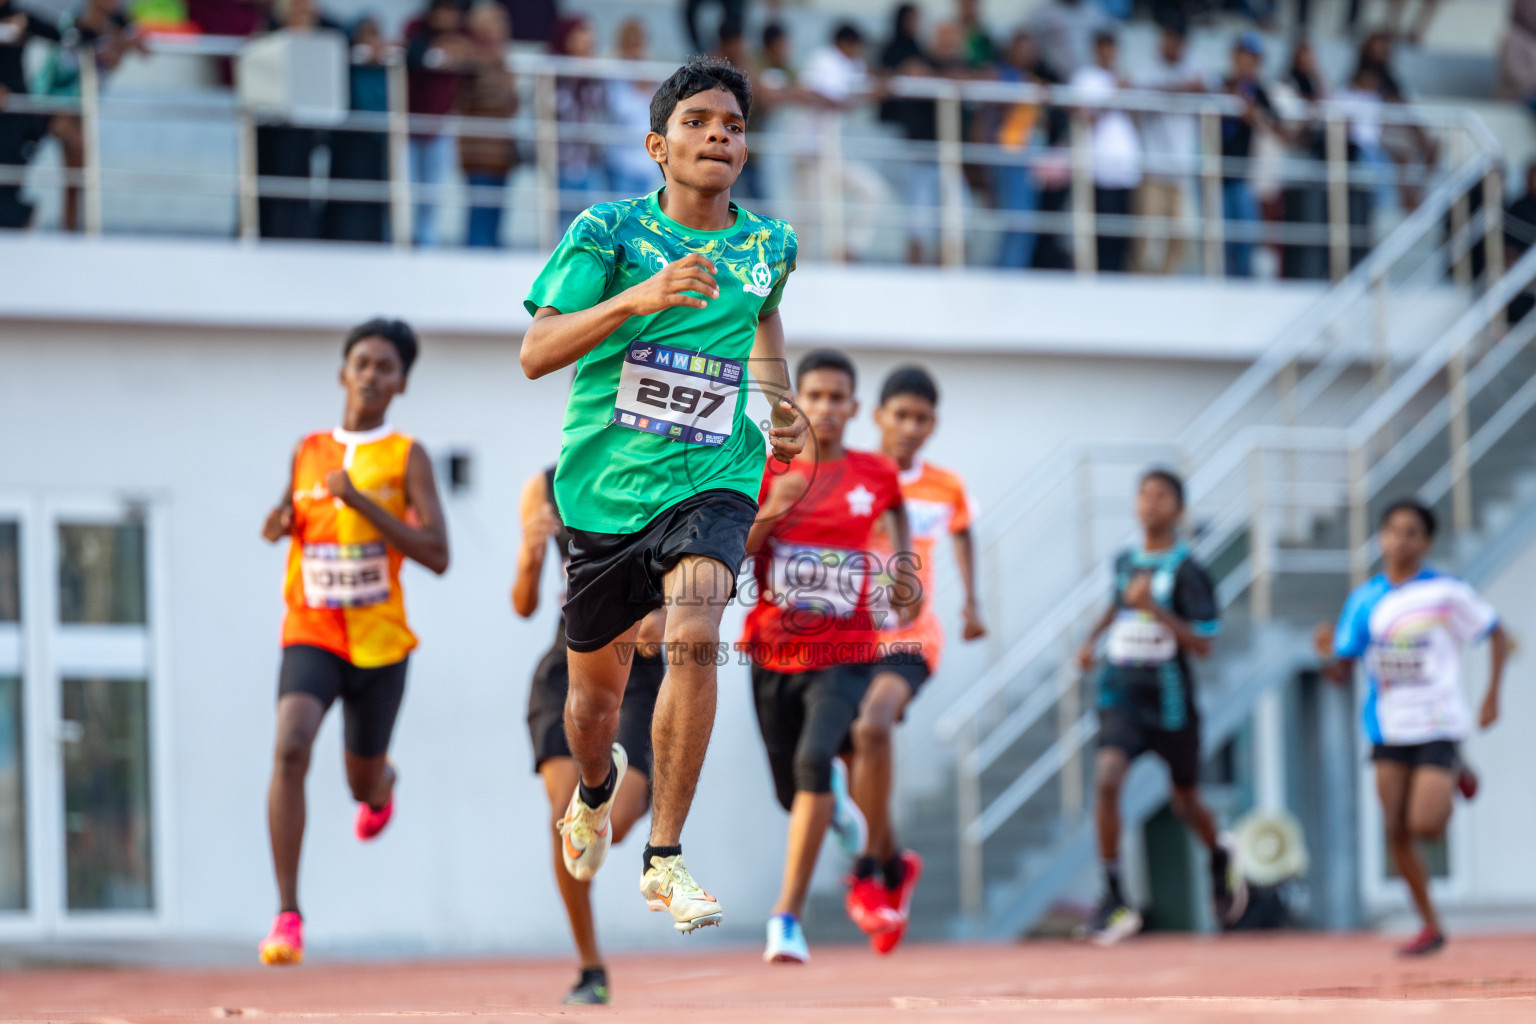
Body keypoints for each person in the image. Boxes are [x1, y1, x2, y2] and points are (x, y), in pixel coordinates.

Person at [519, 56, 806, 935]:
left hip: (713, 474)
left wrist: (780, 400)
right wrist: (638, 298)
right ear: (658, 144)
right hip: (605, 490)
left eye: (733, 123)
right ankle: (594, 794)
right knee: (591, 710)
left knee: (692, 630)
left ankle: (665, 857)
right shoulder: (606, 232)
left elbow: (761, 319)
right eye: (698, 121)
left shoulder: (768, 246)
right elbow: (536, 351)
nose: (720, 132)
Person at [257, 318, 451, 965]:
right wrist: (279, 520)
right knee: (290, 748)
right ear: (343, 371)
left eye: (385, 367)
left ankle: (381, 786)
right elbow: (293, 513)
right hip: (311, 630)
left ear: (401, 385)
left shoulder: (406, 456)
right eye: (361, 362)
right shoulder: (307, 449)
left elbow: (438, 554)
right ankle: (288, 915)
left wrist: (363, 503)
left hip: (380, 644)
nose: (371, 375)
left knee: (358, 781)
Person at [741, 349, 912, 964]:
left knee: (816, 761)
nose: (827, 408)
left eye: (839, 397)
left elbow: (898, 525)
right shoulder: (764, 471)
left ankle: (786, 917)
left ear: (855, 408)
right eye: (814, 396)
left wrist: (900, 576)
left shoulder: (876, 475)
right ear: (794, 403)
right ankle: (836, 803)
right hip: (770, 654)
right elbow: (735, 556)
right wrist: (774, 508)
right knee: (794, 796)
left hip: (846, 652)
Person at [1315, 500, 1508, 957]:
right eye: (1393, 531)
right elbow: (1342, 671)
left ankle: (1456, 767)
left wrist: (1491, 695)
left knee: (1425, 824)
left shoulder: (1445, 593)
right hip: (1387, 726)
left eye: (1412, 533)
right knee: (1395, 829)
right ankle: (1430, 924)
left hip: (1438, 720)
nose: (1401, 541)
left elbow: (1494, 631)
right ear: (1380, 538)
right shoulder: (1364, 600)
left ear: (1426, 542)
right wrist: (1327, 655)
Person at [513, 465, 667, 1004]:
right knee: (570, 827)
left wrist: (668, 611)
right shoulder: (547, 485)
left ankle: (604, 783)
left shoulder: (667, 478)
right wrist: (530, 558)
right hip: (569, 663)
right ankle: (590, 967)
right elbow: (523, 603)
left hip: (639, 668)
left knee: (616, 825)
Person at [845, 365, 983, 954]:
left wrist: (972, 602)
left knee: (872, 726)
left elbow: (964, 531)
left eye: (921, 418)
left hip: (911, 636)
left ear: (934, 425)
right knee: (857, 757)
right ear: (878, 417)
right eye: (899, 414)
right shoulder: (849, 476)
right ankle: (895, 863)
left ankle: (870, 872)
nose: (909, 426)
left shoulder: (944, 486)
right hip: (846, 637)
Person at [1075, 469, 1245, 945]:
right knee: (1107, 780)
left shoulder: (1189, 569)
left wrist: (1155, 609)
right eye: (1143, 494)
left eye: (1162, 496)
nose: (1151, 504)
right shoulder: (1125, 561)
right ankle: (1113, 897)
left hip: (1170, 701)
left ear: (1179, 509)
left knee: (1185, 800)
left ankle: (1218, 855)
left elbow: (1205, 642)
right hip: (1121, 694)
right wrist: (1090, 642)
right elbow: (1117, 604)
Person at [33, 0, 143, 232]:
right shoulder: (74, 22)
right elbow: (67, 64)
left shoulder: (118, 24)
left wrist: (120, 43)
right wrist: (116, 45)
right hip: (50, 103)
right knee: (76, 159)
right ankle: (71, 229)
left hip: (79, 108)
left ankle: (72, 230)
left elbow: (133, 51)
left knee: (78, 172)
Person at [799, 22, 891, 262]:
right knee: (808, 218)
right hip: (812, 151)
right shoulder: (823, 60)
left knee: (872, 191)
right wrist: (870, 95)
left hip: (831, 153)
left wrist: (879, 85)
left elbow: (865, 79)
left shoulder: (846, 63)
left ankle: (848, 251)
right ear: (846, 44)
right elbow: (834, 100)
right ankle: (797, 271)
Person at [1070, 30, 1141, 273]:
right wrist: (1114, 95)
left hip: (1126, 171)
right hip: (1100, 169)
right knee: (1103, 236)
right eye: (1104, 47)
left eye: (1112, 48)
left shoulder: (1121, 78)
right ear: (1095, 50)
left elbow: (1136, 122)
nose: (1108, 53)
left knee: (1124, 238)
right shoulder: (1085, 78)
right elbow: (1085, 118)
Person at [405, 0, 475, 247]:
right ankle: (403, 237)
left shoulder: (464, 35)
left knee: (433, 190)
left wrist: (459, 49)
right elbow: (411, 54)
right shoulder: (415, 28)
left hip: (442, 121)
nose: (448, 16)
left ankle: (427, 240)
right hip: (408, 120)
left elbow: (477, 56)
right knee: (405, 187)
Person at [1133, 21, 1201, 275]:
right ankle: (1139, 287)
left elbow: (1208, 90)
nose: (1169, 45)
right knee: (1147, 238)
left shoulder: (1195, 68)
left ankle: (1164, 283)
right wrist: (1181, 90)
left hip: (1182, 172)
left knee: (1180, 239)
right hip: (1153, 168)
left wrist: (1177, 91)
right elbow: (1139, 95)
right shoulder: (1147, 69)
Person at [1218, 33, 1280, 278]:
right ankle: (1225, 279)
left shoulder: (1258, 90)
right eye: (1243, 56)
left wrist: (1254, 117)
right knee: (1224, 236)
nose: (1247, 63)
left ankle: (1241, 280)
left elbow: (1276, 126)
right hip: (1219, 173)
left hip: (1244, 176)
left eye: (1252, 58)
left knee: (1245, 236)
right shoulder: (1222, 85)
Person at [324, 15, 390, 243]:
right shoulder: (347, 64)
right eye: (367, 33)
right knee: (346, 202)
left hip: (377, 141)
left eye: (376, 33)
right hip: (349, 141)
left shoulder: (387, 67)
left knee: (373, 202)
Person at [458, 1, 517, 247]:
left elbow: (511, 106)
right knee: (480, 218)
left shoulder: (505, 61)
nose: (501, 28)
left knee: (495, 220)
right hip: (478, 151)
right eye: (495, 22)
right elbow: (465, 101)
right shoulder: (469, 57)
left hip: (501, 153)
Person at [0, 0, 63, 229]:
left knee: (9, 183)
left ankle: (21, 225)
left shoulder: (21, 15)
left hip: (15, 113)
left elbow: (64, 35)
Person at [993, 30, 1044, 270]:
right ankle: (1007, 272)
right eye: (1022, 48)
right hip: (1009, 155)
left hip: (1028, 157)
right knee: (1016, 220)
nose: (1027, 53)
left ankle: (1017, 270)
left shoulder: (1032, 81)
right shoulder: (1001, 76)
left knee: (1028, 222)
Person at [551, 15, 608, 230]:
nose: (587, 42)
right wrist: (574, 74)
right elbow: (554, 107)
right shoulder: (554, 71)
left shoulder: (595, 76)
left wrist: (590, 73)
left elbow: (602, 107)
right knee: (564, 225)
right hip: (562, 162)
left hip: (589, 161)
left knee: (589, 225)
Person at [606, 19, 661, 199]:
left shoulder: (653, 75)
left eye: (639, 43)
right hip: (620, 162)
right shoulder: (614, 75)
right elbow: (620, 110)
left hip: (647, 164)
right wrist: (637, 85)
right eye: (630, 44)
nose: (635, 49)